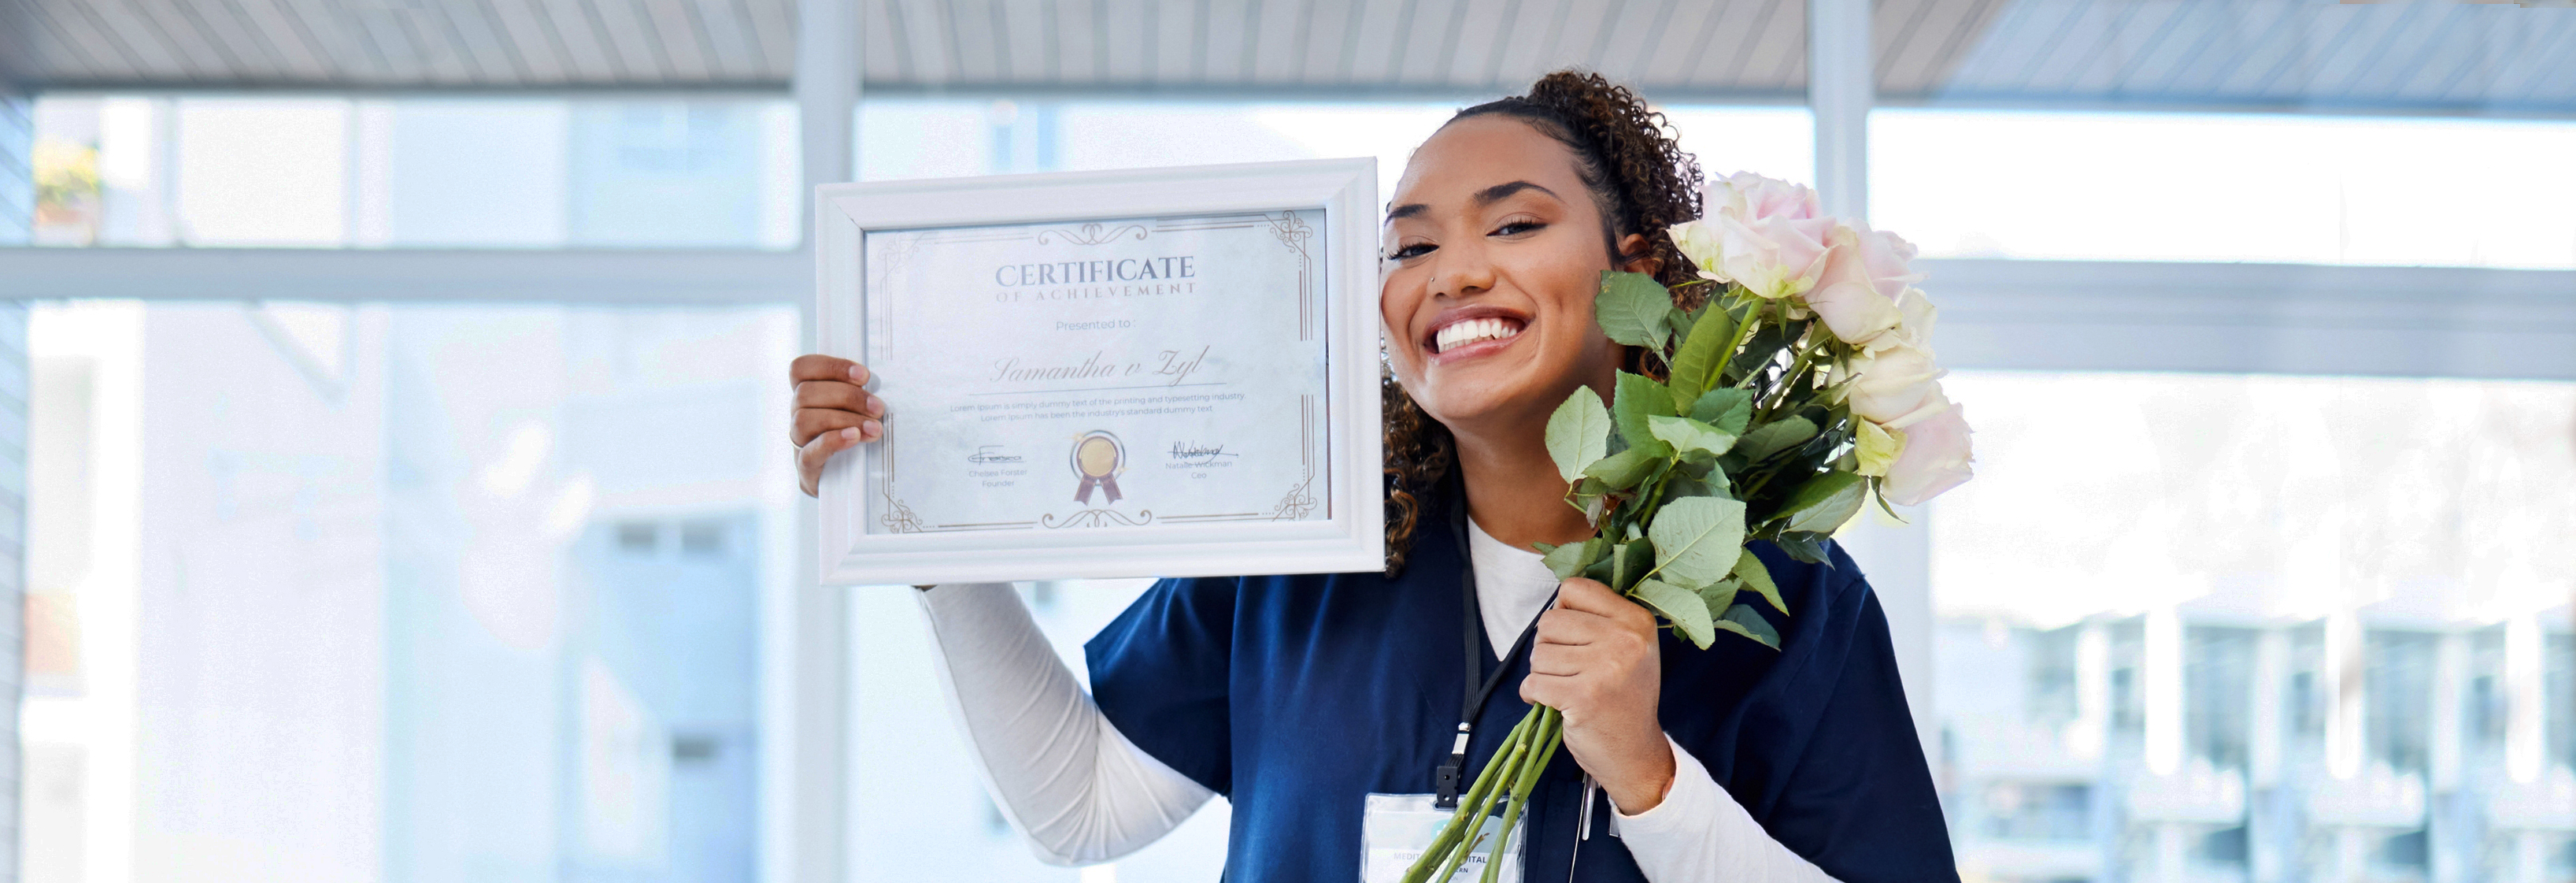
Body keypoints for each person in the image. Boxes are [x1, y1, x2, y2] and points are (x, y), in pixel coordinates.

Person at [787, 71, 1957, 882]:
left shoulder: (1786, 594)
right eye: (1408, 245)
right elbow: (1077, 806)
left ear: (1638, 265)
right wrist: (929, 525)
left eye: (1512, 226)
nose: (1449, 273)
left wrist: (1650, 777)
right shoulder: (1296, 555)